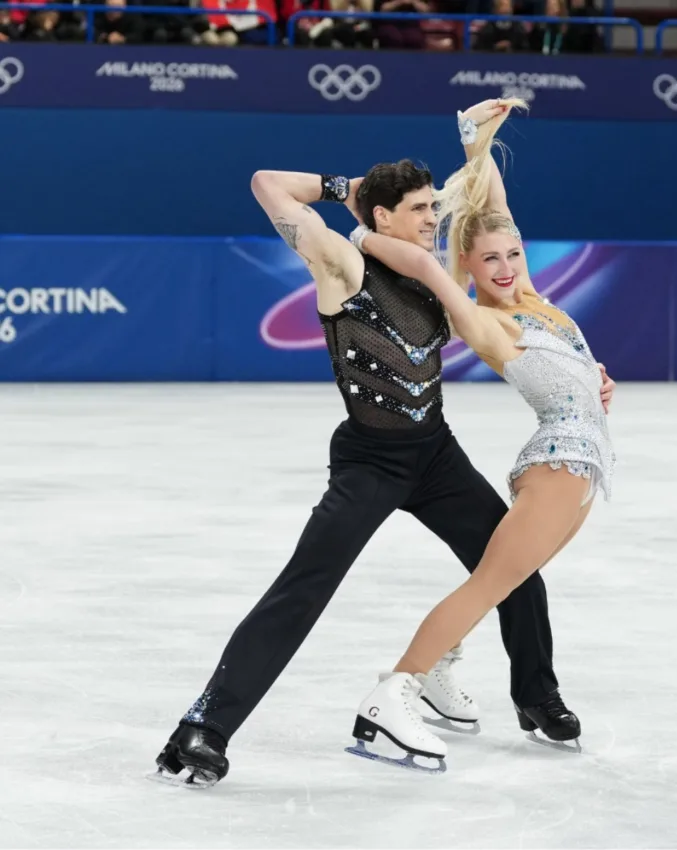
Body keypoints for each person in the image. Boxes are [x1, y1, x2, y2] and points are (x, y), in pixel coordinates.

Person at [153, 111, 615, 786]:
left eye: (434, 206)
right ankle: (203, 726)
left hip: (435, 452)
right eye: (422, 209)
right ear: (383, 216)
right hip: (371, 460)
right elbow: (266, 184)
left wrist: (584, 371)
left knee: (513, 564)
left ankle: (535, 698)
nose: (434, 218)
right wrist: (344, 186)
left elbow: (501, 258)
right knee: (302, 590)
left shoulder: (433, 278)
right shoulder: (343, 265)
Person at [347, 98, 616, 769]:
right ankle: (395, 690)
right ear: (470, 269)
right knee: (491, 585)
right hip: (558, 464)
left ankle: (442, 667)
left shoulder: (538, 301)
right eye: (488, 260)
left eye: (513, 253)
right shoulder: (488, 321)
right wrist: (360, 236)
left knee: (513, 582)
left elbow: (490, 212)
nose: (504, 264)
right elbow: (413, 257)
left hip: (583, 466)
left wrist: (477, 144)